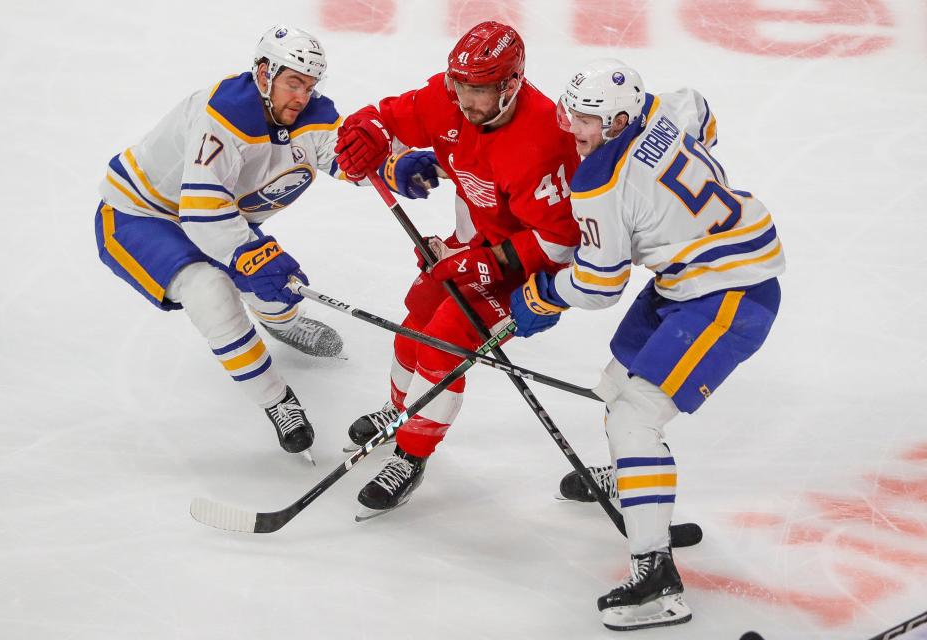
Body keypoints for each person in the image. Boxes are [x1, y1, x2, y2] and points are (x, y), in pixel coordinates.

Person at [510, 59, 785, 630]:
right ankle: (633, 481)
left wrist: (542, 296)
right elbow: (698, 109)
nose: (574, 130)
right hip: (690, 279)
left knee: (637, 417)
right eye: (574, 115)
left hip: (728, 294)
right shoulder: (659, 111)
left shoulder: (599, 183)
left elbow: (599, 283)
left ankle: (657, 580)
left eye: (587, 121)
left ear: (616, 121)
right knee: (616, 385)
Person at [94, 25, 435, 459]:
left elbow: (345, 155)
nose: (302, 96)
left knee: (279, 281)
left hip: (215, 214)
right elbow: (201, 207)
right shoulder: (222, 116)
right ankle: (277, 401)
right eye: (293, 82)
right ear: (263, 73)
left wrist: (392, 167)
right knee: (213, 292)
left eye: (310, 86)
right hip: (140, 215)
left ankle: (282, 322)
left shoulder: (310, 115)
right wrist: (246, 255)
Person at [333, 21, 581, 518]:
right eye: (460, 87)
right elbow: (382, 117)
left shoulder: (545, 139)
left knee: (445, 341)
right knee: (415, 322)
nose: (465, 102)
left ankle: (411, 455)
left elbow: (558, 243)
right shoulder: (448, 98)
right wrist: (366, 137)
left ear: (510, 86)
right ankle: (400, 410)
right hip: (470, 242)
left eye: (478, 91)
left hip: (522, 270)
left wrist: (477, 264)